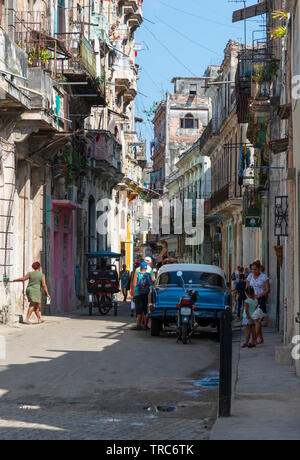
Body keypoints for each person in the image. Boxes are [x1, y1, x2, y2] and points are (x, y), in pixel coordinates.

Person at [246, 261, 270, 345]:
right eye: (252, 269)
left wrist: (259, 295)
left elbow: (267, 290)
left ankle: (254, 341)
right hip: (251, 300)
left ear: (259, 268)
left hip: (260, 300)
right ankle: (261, 339)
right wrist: (248, 298)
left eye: (255, 269)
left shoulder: (264, 277)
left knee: (258, 320)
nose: (253, 271)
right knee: (255, 320)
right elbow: (247, 288)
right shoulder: (249, 276)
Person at [130, 262, 155, 330]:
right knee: (145, 310)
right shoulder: (149, 274)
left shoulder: (137, 274)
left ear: (140, 267)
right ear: (146, 268)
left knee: (139, 309)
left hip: (138, 294)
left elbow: (134, 285)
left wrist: (132, 294)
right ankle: (145, 325)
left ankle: (138, 325)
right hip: (146, 294)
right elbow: (154, 281)